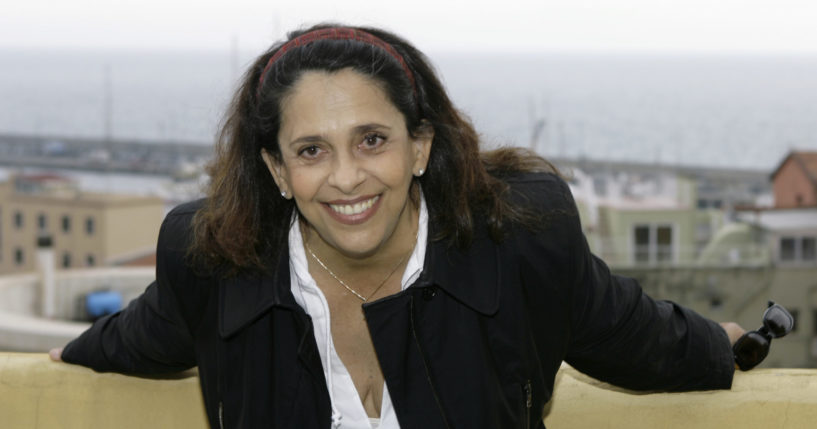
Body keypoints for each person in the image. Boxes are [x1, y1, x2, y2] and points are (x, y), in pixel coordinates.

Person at [51, 24, 746, 428]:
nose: (347, 177)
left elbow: (626, 330)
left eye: (372, 140)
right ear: (275, 169)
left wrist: (722, 344)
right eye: (311, 150)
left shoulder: (522, 236)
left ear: (420, 146)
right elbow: (151, 333)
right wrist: (76, 351)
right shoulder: (208, 256)